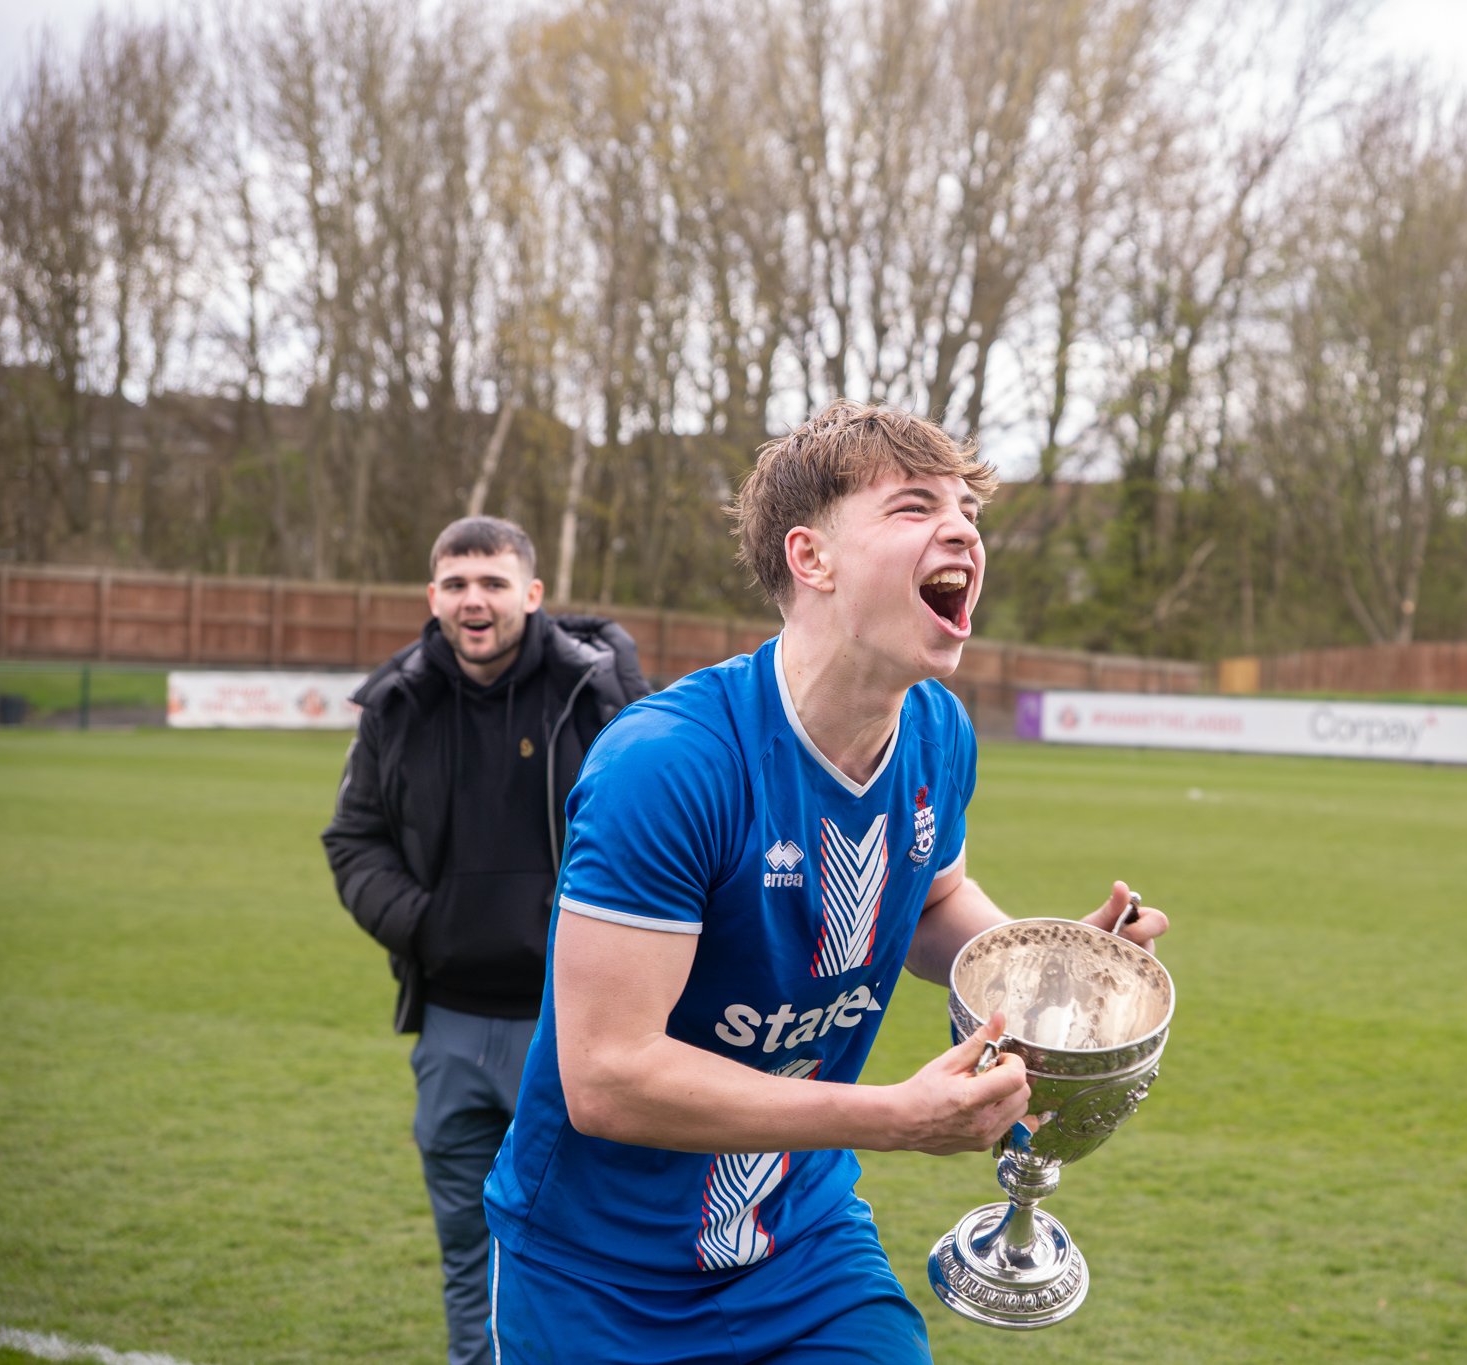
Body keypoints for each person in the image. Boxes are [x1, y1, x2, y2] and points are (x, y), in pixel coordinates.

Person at [482, 401, 1170, 1363]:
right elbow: (607, 1078)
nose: (963, 528)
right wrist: (889, 1118)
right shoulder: (670, 763)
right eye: (914, 506)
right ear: (813, 558)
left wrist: (1047, 968)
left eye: (969, 510)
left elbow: (929, 902)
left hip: (800, 1245)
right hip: (598, 1275)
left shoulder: (937, 732)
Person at [323, 515, 648, 1365]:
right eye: (457, 583)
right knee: (469, 1253)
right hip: (451, 1030)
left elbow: (657, 840)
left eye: (494, 582)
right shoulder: (395, 703)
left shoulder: (599, 694)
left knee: (596, 1251)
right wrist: (432, 927)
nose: (475, 600)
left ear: (532, 595)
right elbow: (352, 841)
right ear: (432, 596)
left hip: (578, 1028)